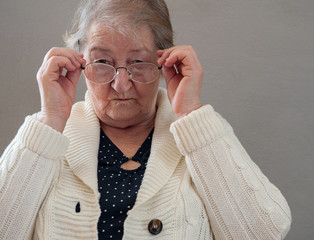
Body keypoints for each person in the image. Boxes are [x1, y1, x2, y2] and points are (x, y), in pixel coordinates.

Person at [0, 0, 291, 239]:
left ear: (165, 61)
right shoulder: (49, 139)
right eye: (103, 62)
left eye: (138, 62)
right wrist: (50, 119)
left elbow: (264, 233)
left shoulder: (200, 137)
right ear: (80, 63)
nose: (121, 84)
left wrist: (191, 112)